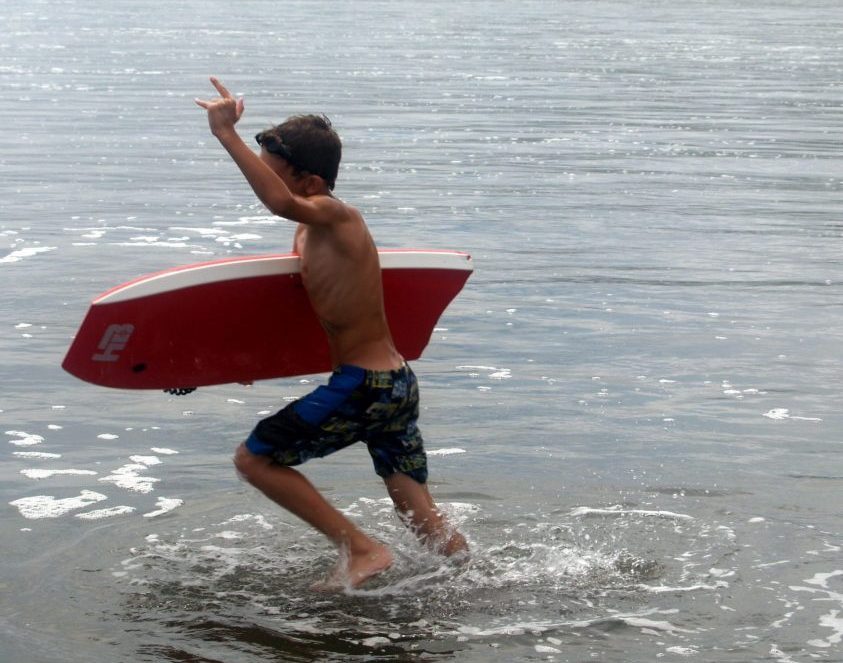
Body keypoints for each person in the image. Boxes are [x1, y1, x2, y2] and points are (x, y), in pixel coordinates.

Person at [195, 77, 468, 589]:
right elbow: (325, 312)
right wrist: (247, 364)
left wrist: (227, 135)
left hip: (364, 384)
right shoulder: (313, 236)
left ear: (312, 184)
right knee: (412, 501)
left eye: (273, 174)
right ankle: (472, 578)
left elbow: (279, 203)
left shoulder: (335, 216)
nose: (267, 182)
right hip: (395, 384)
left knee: (254, 459)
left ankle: (362, 550)